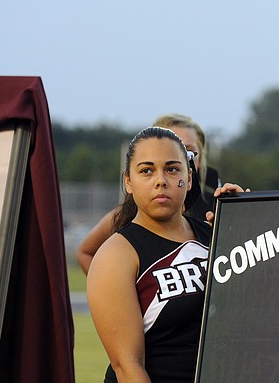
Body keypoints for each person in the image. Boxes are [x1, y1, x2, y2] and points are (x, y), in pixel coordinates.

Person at [86, 126, 241, 383]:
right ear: (128, 181)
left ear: (190, 177)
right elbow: (127, 364)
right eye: (147, 170)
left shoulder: (219, 235)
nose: (161, 180)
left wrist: (249, 220)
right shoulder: (118, 254)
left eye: (173, 169)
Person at [76, 113, 221, 274]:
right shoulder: (124, 217)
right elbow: (86, 252)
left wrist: (240, 219)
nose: (161, 179)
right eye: (148, 170)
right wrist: (111, 292)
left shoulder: (216, 208)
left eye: (187, 151)